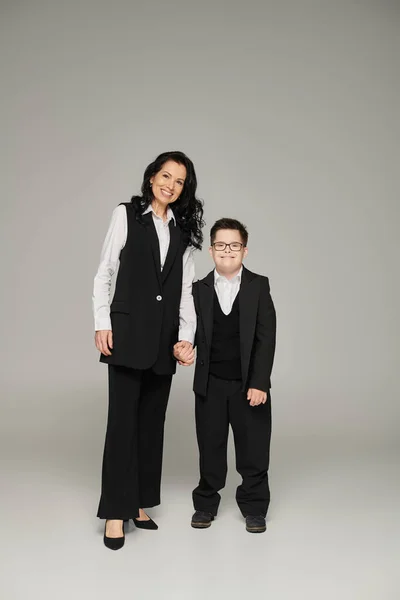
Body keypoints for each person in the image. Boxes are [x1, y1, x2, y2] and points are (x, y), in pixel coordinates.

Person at [93, 151, 203, 550]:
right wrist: (101, 322)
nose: (170, 185)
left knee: (151, 424)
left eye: (178, 181)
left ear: (183, 189)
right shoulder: (125, 215)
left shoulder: (183, 232)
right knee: (122, 424)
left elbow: (187, 290)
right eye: (165, 175)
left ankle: (139, 502)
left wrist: (187, 336)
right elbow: (105, 270)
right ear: (151, 176)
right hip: (126, 334)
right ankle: (114, 513)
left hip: (162, 339)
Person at [174, 218, 276, 533]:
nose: (227, 251)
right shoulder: (197, 289)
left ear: (244, 251)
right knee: (211, 448)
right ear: (211, 250)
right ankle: (205, 504)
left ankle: (255, 508)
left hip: (249, 386)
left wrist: (259, 383)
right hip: (210, 385)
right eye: (220, 245)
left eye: (234, 245)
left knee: (253, 450)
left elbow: (266, 337)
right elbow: (186, 327)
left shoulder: (259, 285)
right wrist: (182, 347)